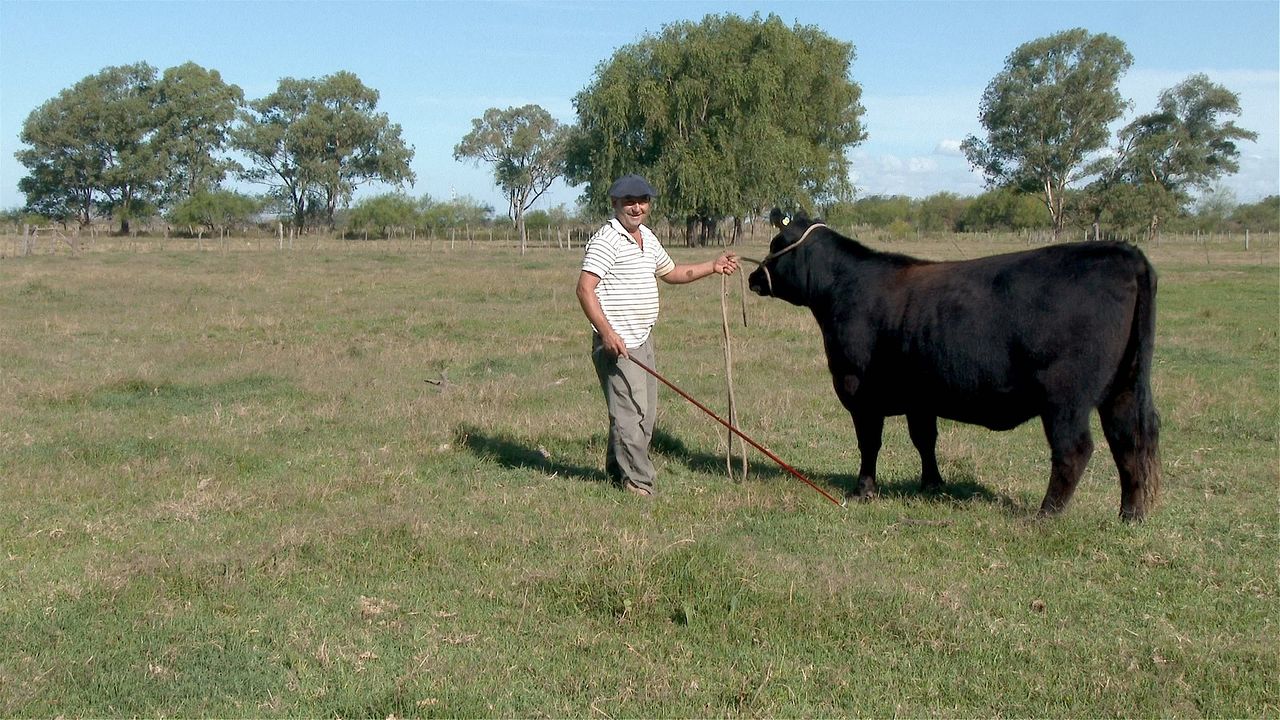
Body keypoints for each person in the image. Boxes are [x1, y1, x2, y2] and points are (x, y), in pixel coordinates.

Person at [576, 174, 739, 497]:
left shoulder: (646, 238)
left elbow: (671, 272)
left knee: (642, 414)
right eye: (629, 202)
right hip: (618, 344)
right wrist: (607, 333)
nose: (637, 208)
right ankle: (639, 484)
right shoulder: (606, 241)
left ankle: (616, 473)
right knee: (631, 415)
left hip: (642, 338)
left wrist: (713, 265)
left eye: (643, 201)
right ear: (615, 204)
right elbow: (584, 289)